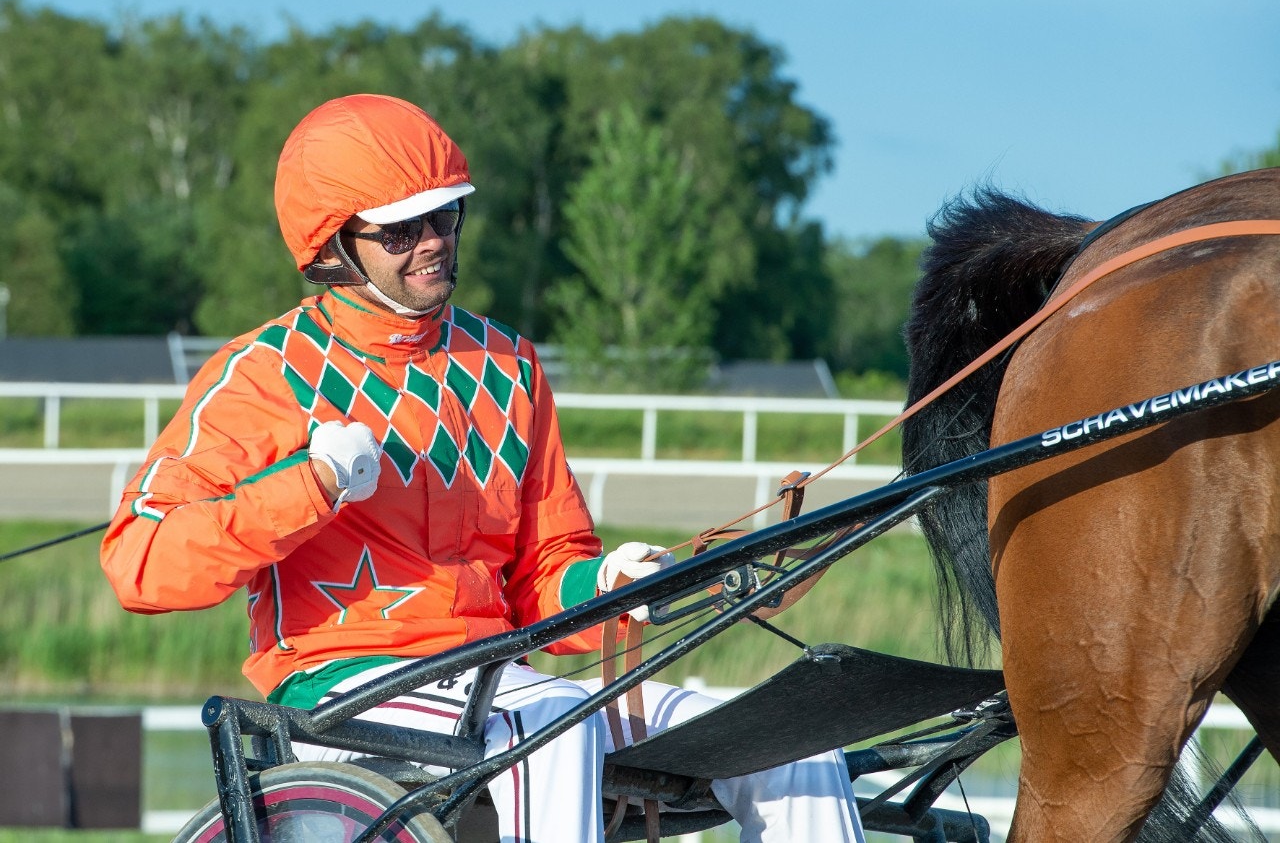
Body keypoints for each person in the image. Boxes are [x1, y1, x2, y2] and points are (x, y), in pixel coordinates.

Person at [100, 93, 864, 843]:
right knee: (553, 725)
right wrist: (312, 485)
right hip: (342, 694)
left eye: (445, 215)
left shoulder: (509, 365)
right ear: (333, 245)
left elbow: (541, 580)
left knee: (791, 741)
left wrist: (605, 585)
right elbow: (141, 561)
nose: (433, 241)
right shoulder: (264, 374)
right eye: (402, 229)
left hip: (497, 683)